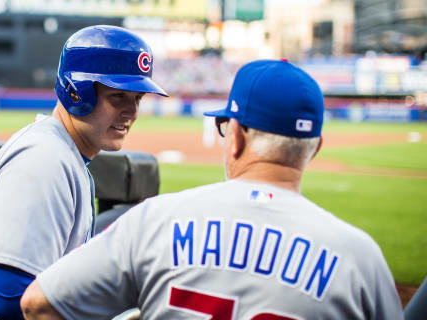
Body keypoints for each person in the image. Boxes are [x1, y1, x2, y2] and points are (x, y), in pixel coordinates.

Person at [20, 60, 403, 320]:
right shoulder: (360, 259)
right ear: (314, 149)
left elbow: (38, 305)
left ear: (234, 137)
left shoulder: (155, 220)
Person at [0, 25, 167, 320]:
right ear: (77, 92)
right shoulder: (44, 161)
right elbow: (11, 300)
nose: (132, 113)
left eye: (137, 99)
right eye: (119, 97)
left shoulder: (62, 153)